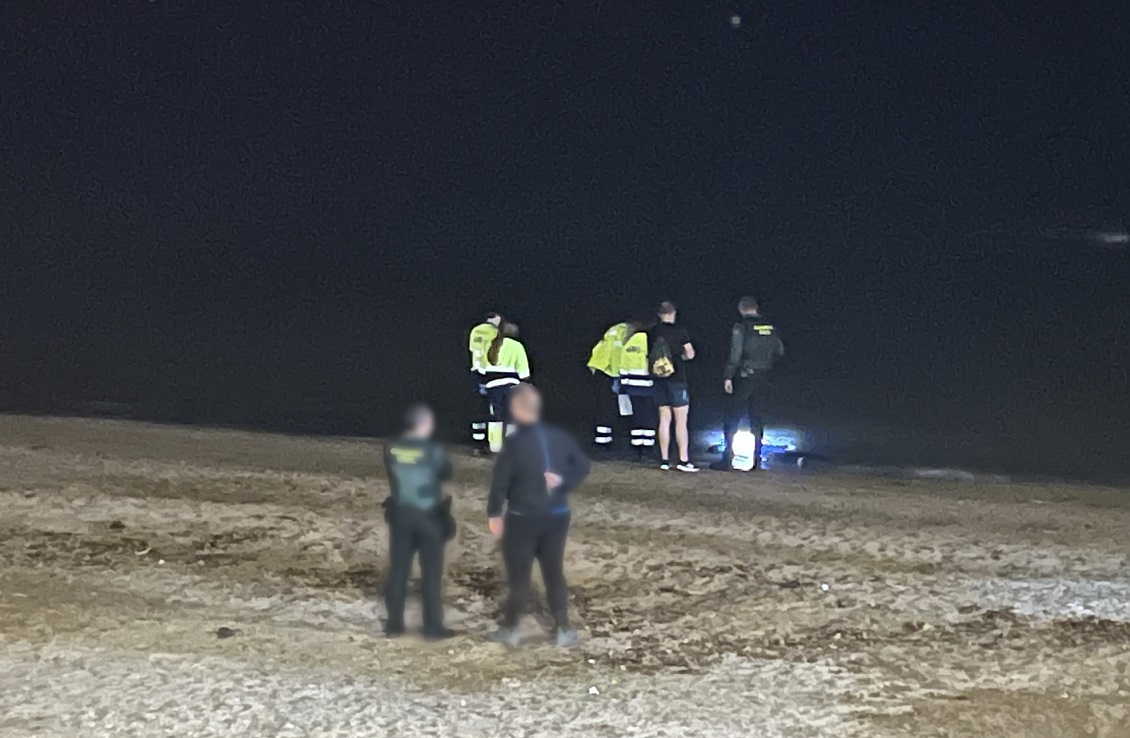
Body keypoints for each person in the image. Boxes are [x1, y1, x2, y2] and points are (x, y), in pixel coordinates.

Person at [486, 384, 591, 648]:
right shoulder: (558, 436)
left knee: (520, 575)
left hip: (524, 517)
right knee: (554, 572)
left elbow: (500, 483)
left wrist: (494, 513)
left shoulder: (514, 444)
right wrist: (563, 481)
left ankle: (510, 628)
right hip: (557, 515)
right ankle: (563, 627)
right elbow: (583, 466)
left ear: (516, 409)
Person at [382, 403, 455, 640]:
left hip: (401, 514)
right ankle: (432, 627)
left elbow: (392, 473)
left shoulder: (392, 447)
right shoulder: (431, 449)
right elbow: (444, 472)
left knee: (398, 571)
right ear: (423, 425)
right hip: (428, 516)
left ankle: (394, 625)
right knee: (431, 574)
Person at [711, 296, 785, 471]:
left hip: (744, 375)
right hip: (764, 375)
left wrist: (728, 375)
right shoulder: (770, 327)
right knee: (757, 418)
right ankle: (757, 460)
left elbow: (735, 354)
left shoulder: (741, 327)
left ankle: (727, 458)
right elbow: (780, 350)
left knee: (732, 417)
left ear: (742, 309)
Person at [648, 301, 698, 472]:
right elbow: (690, 354)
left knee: (664, 418)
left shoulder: (652, 333)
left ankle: (664, 460)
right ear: (673, 314)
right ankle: (683, 460)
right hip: (677, 378)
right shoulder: (680, 332)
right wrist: (681, 358)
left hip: (659, 379)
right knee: (681, 420)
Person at [481, 321, 530, 453]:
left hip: (492, 387)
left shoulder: (491, 345)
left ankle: (495, 447)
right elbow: (524, 373)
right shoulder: (517, 346)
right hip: (511, 386)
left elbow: (483, 369)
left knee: (496, 416)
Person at [617, 321, 658, 457]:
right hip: (648, 384)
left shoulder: (629, 342)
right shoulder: (651, 341)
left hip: (632, 385)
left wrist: (624, 383)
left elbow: (622, 364)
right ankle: (648, 446)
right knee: (649, 415)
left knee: (637, 415)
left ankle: (637, 447)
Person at [468, 312, 503, 451]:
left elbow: (473, 349)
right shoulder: (495, 332)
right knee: (494, 407)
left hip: (476, 371)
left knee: (479, 407)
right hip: (491, 373)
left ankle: (478, 443)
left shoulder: (475, 330)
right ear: (495, 318)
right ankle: (493, 444)